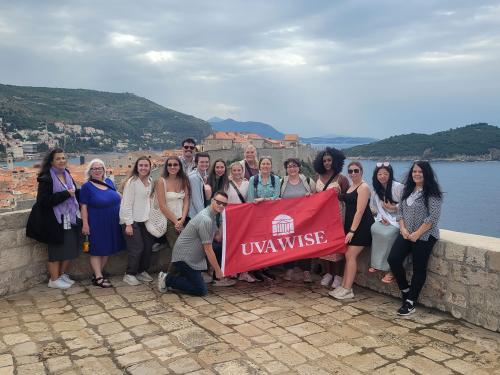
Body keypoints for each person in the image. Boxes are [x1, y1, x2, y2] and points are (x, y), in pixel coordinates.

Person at [388, 161, 443, 316]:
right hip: (407, 233)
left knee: (419, 268)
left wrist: (418, 234)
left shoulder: (432, 192)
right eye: (414, 171)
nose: (417, 174)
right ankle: (405, 290)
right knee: (393, 259)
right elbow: (400, 212)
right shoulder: (408, 189)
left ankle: (411, 302)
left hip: (425, 236)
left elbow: (433, 217)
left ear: (426, 173)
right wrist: (403, 229)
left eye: (420, 171)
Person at [26, 148, 81, 289]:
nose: (62, 160)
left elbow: (74, 192)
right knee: (55, 251)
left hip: (69, 218)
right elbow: (43, 201)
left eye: (63, 158)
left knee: (69, 248)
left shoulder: (66, 174)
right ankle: (54, 279)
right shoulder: (46, 178)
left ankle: (61, 275)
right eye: (58, 158)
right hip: (53, 221)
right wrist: (66, 194)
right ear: (51, 161)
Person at [158, 191, 230, 296]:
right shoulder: (206, 219)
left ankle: (186, 277)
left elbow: (218, 238)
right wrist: (218, 271)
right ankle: (167, 279)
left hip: (191, 257)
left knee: (218, 247)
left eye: (224, 204)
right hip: (185, 258)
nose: (221, 205)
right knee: (200, 290)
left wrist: (224, 219)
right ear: (212, 201)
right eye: (218, 202)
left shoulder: (212, 216)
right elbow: (208, 249)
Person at [330, 161, 374, 300]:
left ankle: (348, 289)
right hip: (351, 227)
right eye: (350, 171)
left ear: (361, 171)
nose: (353, 173)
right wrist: (335, 192)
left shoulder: (364, 187)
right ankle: (343, 286)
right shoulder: (351, 186)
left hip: (361, 227)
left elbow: (360, 211)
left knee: (350, 255)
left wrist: (352, 231)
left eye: (356, 171)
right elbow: (345, 198)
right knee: (348, 256)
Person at [80, 159, 125, 288]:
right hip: (96, 222)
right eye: (94, 168)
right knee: (96, 249)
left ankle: (97, 274)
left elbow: (120, 197)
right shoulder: (86, 187)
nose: (97, 170)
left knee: (106, 249)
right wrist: (85, 224)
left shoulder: (109, 182)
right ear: (90, 171)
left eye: (100, 168)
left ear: (104, 170)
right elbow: (83, 207)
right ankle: (99, 277)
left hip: (112, 222)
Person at [313, 147, 349, 289]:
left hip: (338, 217)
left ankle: (338, 276)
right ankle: (328, 273)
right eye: (324, 161)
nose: (327, 163)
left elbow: (348, 197)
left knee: (338, 246)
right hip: (322, 217)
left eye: (329, 160)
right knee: (325, 246)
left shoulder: (342, 179)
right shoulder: (318, 177)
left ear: (335, 161)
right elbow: (315, 195)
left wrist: (336, 196)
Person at [156, 156, 191, 291]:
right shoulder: (161, 182)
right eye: (169, 165)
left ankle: (171, 277)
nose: (172, 167)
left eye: (175, 164)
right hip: (169, 221)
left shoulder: (184, 180)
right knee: (179, 250)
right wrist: (176, 221)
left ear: (179, 166)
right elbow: (162, 205)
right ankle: (167, 278)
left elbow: (186, 200)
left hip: (182, 219)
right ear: (166, 167)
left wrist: (182, 219)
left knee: (182, 250)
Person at [119, 156, 155, 286]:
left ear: (150, 167)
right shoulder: (132, 182)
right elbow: (126, 204)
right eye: (141, 165)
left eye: (146, 165)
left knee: (147, 247)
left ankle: (141, 271)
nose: (143, 168)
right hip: (131, 220)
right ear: (137, 167)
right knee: (137, 247)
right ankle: (129, 274)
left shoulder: (150, 181)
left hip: (144, 219)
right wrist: (128, 224)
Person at [280, 158, 316, 283]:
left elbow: (316, 197)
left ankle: (306, 271)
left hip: (305, 219)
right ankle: (289, 269)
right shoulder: (282, 182)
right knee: (288, 244)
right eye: (289, 166)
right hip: (288, 220)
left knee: (305, 244)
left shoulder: (307, 181)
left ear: (299, 167)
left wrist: (311, 196)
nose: (292, 168)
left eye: (294, 166)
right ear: (286, 169)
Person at [247, 156, 281, 280]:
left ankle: (266, 266)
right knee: (258, 241)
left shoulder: (276, 179)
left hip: (271, 216)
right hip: (257, 217)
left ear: (271, 166)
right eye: (263, 164)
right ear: (259, 166)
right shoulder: (253, 180)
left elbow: (277, 198)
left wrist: (263, 200)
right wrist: (266, 201)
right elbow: (251, 200)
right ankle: (257, 267)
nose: (265, 166)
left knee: (269, 241)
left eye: (268, 164)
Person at [369, 162, 404, 283]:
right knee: (374, 228)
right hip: (385, 217)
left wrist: (394, 208)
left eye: (385, 174)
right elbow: (377, 207)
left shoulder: (398, 187)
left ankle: (390, 269)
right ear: (376, 175)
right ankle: (377, 263)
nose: (382, 176)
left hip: (400, 218)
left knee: (390, 234)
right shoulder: (376, 190)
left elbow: (407, 204)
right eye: (380, 174)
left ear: (390, 174)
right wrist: (382, 217)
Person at [226, 162, 254, 283]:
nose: (237, 173)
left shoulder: (248, 184)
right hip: (231, 217)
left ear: (242, 171)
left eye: (239, 170)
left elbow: (250, 199)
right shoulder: (227, 185)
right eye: (234, 170)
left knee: (245, 245)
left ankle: (244, 271)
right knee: (232, 244)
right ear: (231, 172)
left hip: (245, 218)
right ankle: (233, 269)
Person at [188, 152, 212, 219]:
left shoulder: (204, 174)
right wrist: (204, 217)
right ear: (196, 163)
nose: (204, 164)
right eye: (202, 162)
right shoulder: (193, 177)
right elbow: (197, 200)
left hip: (201, 212)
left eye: (206, 162)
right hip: (195, 215)